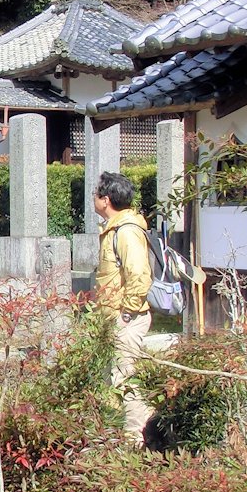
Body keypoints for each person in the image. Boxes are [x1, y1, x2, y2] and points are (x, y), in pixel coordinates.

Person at [93, 171, 154, 440]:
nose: (94, 199)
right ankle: (120, 434)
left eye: (96, 194)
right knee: (112, 378)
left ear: (105, 200)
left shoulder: (126, 231)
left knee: (124, 378)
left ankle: (136, 439)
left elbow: (139, 274)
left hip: (127, 317)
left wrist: (127, 313)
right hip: (113, 316)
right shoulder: (114, 228)